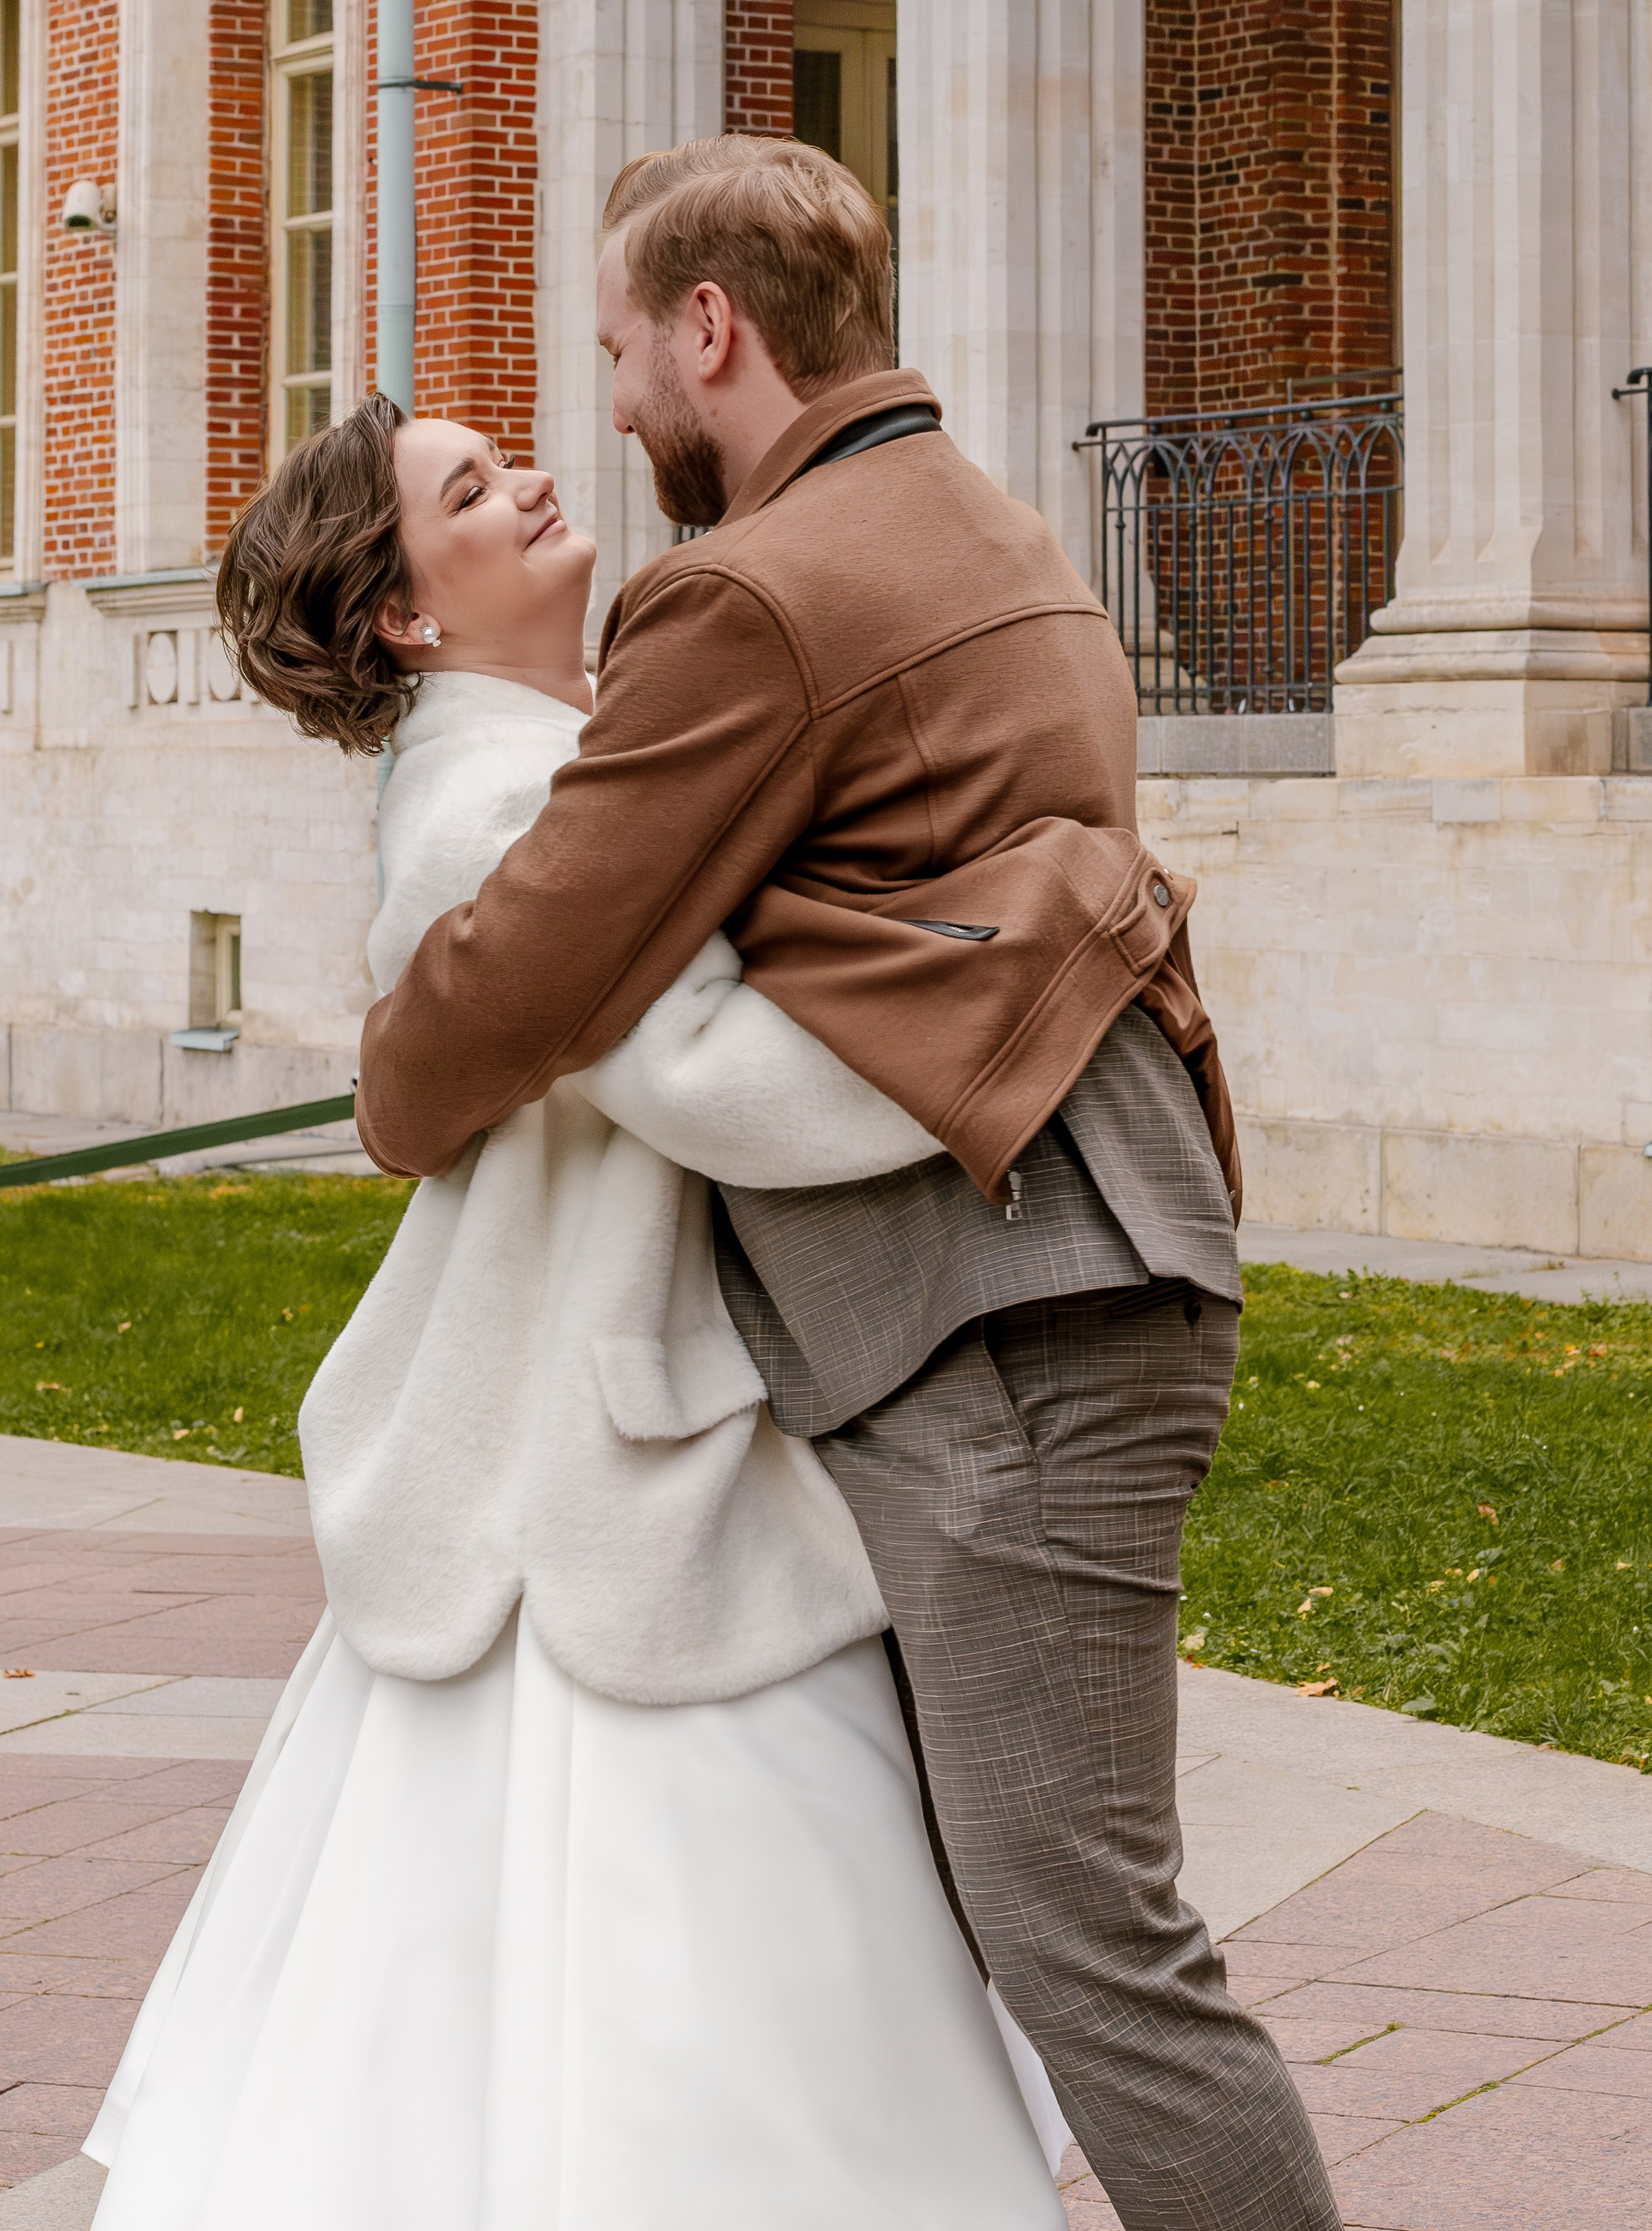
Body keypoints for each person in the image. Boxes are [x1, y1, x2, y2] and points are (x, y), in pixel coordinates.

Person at [355, 135, 1344, 2231]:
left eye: (622, 352)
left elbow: (538, 959)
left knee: (1092, 1946)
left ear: (711, 328)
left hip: (1005, 1316)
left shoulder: (748, 588)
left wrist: (392, 1087)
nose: (612, 412)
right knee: (1010, 1912)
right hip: (1080, 1273)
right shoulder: (1000, 534)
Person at [81, 397, 1074, 2231]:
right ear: (407, 619)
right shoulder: (498, 801)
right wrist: (1017, 1012)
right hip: (593, 1482)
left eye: (508, 456)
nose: (530, 478)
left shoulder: (572, 755)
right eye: (471, 490)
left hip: (609, 1436)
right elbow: (716, 1081)